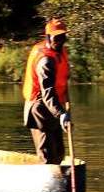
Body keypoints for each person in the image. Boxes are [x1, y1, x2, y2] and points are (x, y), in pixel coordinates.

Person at [23, 19, 72, 164]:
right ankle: (48, 183)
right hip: (39, 108)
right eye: (56, 37)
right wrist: (61, 114)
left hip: (54, 106)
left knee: (59, 154)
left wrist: (66, 109)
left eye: (62, 36)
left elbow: (63, 82)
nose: (60, 40)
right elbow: (47, 92)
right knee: (48, 157)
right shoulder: (45, 61)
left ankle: (60, 180)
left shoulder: (60, 53)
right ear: (48, 37)